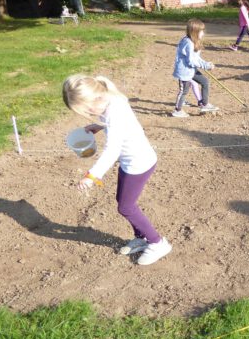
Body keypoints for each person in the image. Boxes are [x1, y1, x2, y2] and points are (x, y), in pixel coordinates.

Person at [62, 75, 172, 266]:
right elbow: (120, 125)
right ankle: (141, 238)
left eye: (87, 109)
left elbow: (112, 150)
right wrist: (99, 125)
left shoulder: (114, 113)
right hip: (133, 161)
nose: (88, 113)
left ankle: (157, 243)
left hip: (138, 164)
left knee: (126, 207)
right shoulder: (111, 98)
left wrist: (91, 176)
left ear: (96, 98)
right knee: (123, 202)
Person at [172, 18, 219, 118]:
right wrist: (204, 66)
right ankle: (177, 110)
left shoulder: (194, 41)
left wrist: (206, 64)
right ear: (195, 32)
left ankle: (205, 104)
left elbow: (196, 58)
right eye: (201, 31)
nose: (203, 33)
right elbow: (191, 61)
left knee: (205, 82)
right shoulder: (188, 43)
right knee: (183, 91)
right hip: (184, 71)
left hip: (191, 69)